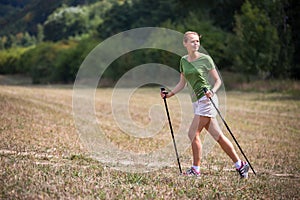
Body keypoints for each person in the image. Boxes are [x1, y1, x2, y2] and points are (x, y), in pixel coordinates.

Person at [161, 31, 249, 178]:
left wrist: (212, 92)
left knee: (192, 133)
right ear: (185, 43)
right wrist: (169, 95)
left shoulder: (205, 59)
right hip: (196, 101)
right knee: (218, 136)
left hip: (206, 100)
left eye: (197, 41)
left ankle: (196, 169)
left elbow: (218, 80)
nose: (196, 44)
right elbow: (182, 83)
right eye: (192, 41)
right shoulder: (183, 60)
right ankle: (240, 165)